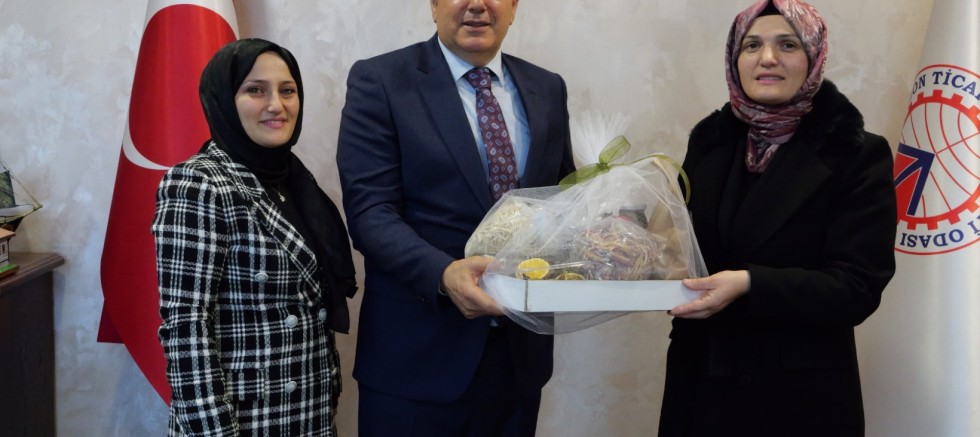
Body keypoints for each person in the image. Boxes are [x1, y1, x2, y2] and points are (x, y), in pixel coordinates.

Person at [336, 0, 575, 435]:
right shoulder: (382, 80)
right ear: (434, 5)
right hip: (416, 361)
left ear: (514, 7)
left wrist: (613, 229)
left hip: (519, 362)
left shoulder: (547, 87)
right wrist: (443, 274)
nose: (477, 5)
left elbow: (559, 200)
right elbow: (371, 211)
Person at [659, 1, 897, 436]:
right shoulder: (709, 143)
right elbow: (679, 247)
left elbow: (857, 288)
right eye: (752, 45)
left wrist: (750, 282)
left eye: (787, 45)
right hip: (702, 387)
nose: (767, 58)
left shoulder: (857, 153)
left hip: (798, 400)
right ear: (735, 59)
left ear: (813, 57)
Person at [152, 38, 357, 436]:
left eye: (287, 90)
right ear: (224, 101)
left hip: (308, 417)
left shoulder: (294, 181)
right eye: (255, 90)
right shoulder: (198, 182)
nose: (276, 105)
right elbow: (186, 328)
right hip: (243, 424)